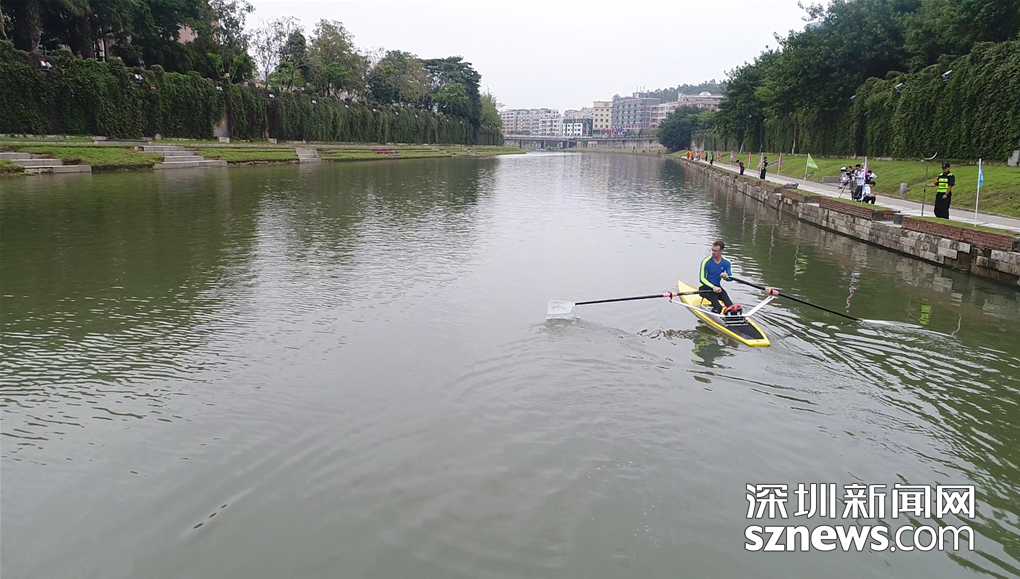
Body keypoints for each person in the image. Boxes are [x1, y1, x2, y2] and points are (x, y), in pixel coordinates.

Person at [699, 240, 736, 315]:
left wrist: (726, 277)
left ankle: (734, 317)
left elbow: (730, 278)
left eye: (715, 251)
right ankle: (717, 311)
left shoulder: (726, 262)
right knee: (719, 308)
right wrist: (713, 287)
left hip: (718, 289)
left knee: (732, 308)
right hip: (705, 289)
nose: (713, 252)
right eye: (712, 250)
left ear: (721, 251)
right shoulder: (706, 261)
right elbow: (701, 279)